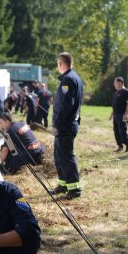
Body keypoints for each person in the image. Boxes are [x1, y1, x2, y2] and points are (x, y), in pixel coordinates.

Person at [51, 52, 84, 199]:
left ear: (60, 64)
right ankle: (63, 184)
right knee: (59, 156)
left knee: (66, 156)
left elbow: (66, 104)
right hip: (67, 124)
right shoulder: (74, 78)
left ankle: (74, 189)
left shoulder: (68, 80)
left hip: (65, 125)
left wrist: (57, 123)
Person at [110, 76, 128, 152]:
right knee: (116, 131)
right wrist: (112, 114)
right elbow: (115, 105)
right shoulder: (116, 93)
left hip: (122, 115)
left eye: (115, 82)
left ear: (120, 83)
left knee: (122, 131)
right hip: (116, 115)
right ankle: (120, 146)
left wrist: (126, 114)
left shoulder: (126, 92)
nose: (114, 84)